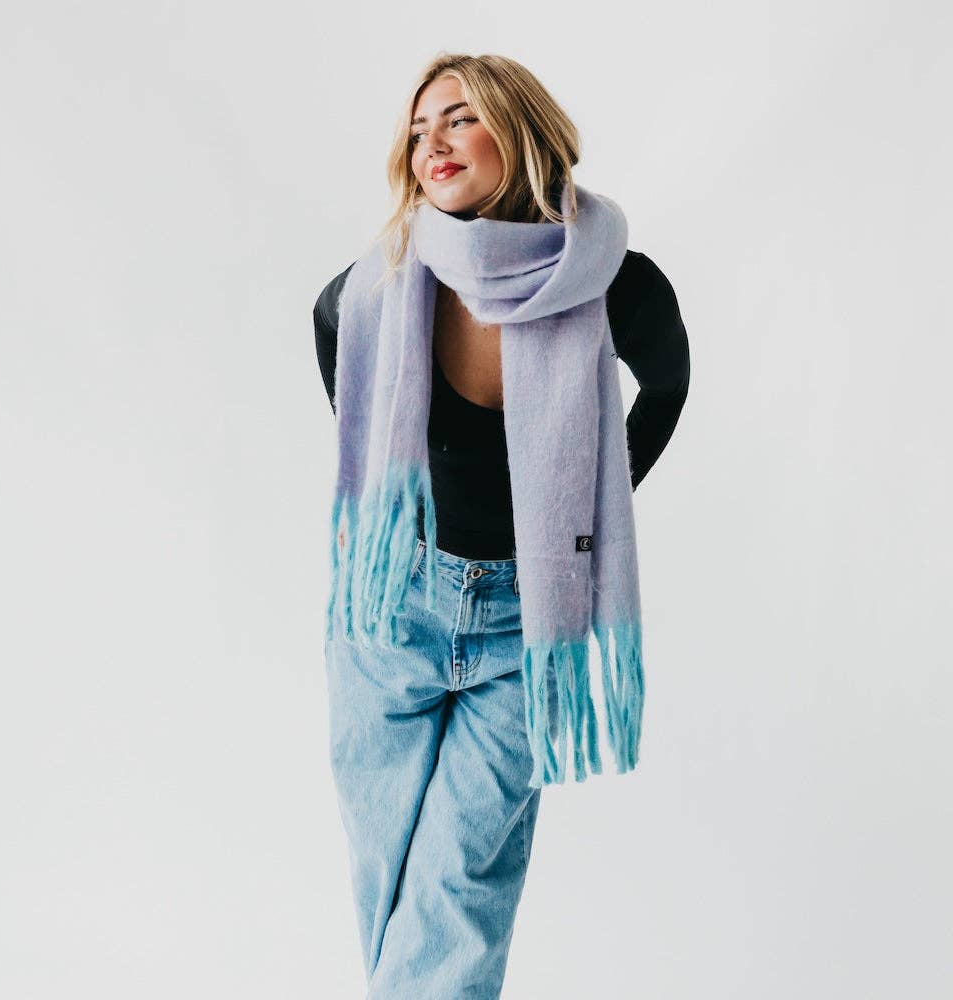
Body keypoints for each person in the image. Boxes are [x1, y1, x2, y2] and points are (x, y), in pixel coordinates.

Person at [313, 53, 689, 998]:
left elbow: (668, 383)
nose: (431, 145)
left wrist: (596, 498)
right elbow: (330, 331)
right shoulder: (393, 271)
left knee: (456, 892)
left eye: (457, 119)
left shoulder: (609, 278)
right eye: (418, 129)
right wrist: (389, 472)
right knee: (391, 879)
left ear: (516, 128)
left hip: (528, 623)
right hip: (395, 605)